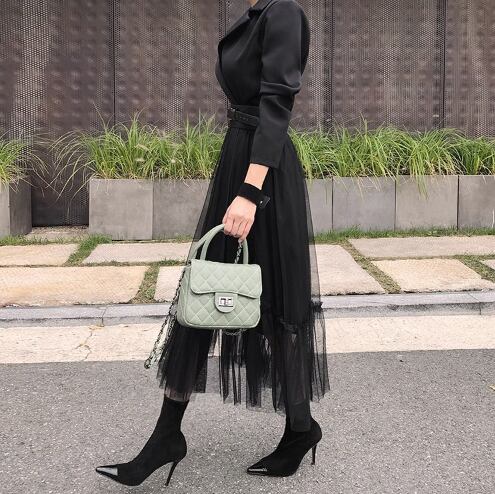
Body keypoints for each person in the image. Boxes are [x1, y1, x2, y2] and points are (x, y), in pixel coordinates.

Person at [95, 0, 330, 486]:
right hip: (240, 164)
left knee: (277, 307)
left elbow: (277, 105)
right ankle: (168, 435)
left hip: (262, 179)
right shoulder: (255, 15)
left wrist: (249, 191)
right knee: (201, 295)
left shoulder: (284, 12)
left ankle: (300, 428)